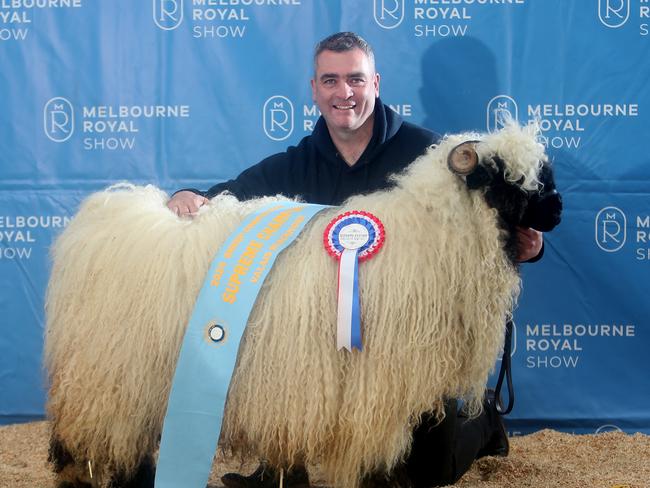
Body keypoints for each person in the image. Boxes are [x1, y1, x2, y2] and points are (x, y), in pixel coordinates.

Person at [166, 32, 542, 488]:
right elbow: (234, 199)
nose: (344, 93)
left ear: (376, 83)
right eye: (331, 80)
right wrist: (191, 196)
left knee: (425, 471)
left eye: (355, 80)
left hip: (410, 351)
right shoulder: (296, 164)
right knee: (283, 348)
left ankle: (482, 424)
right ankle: (284, 466)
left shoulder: (431, 158)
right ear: (314, 89)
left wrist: (530, 247)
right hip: (322, 343)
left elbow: (483, 233)